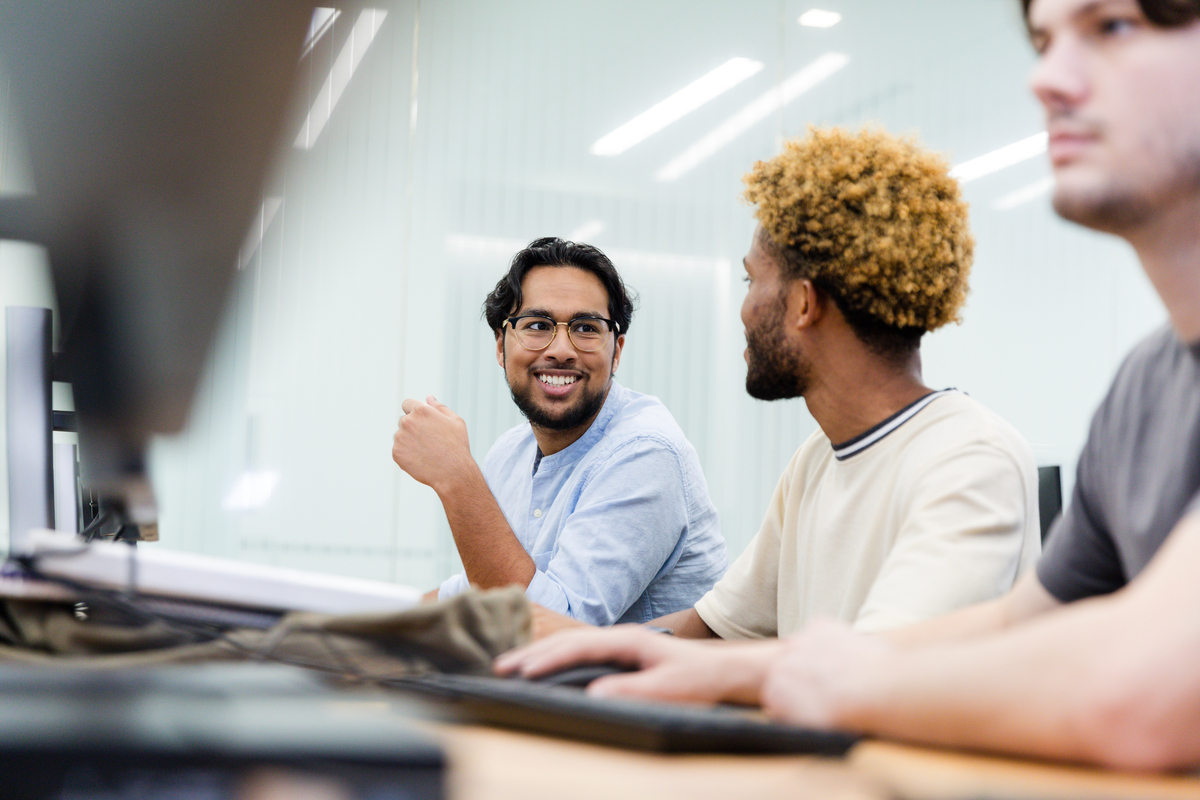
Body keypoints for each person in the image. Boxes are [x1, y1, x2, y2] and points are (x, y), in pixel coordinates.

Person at [496, 0, 1200, 771]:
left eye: (1114, 27)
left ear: (801, 303)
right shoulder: (1143, 390)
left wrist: (734, 670)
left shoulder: (970, 456)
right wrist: (591, 651)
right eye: (1042, 41)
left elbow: (1126, 697)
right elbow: (1014, 629)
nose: (1049, 79)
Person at [509, 127, 1041, 646]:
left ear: (804, 303)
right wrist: (580, 647)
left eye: (751, 280)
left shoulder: (969, 459)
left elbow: (872, 673)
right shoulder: (816, 462)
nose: (744, 308)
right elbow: (713, 626)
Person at [391, 237, 727, 625]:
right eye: (537, 325)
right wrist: (359, 630)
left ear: (616, 351)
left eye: (586, 327)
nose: (562, 349)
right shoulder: (511, 451)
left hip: (630, 687)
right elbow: (473, 592)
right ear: (501, 346)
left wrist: (457, 478)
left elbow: (557, 627)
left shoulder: (646, 452)